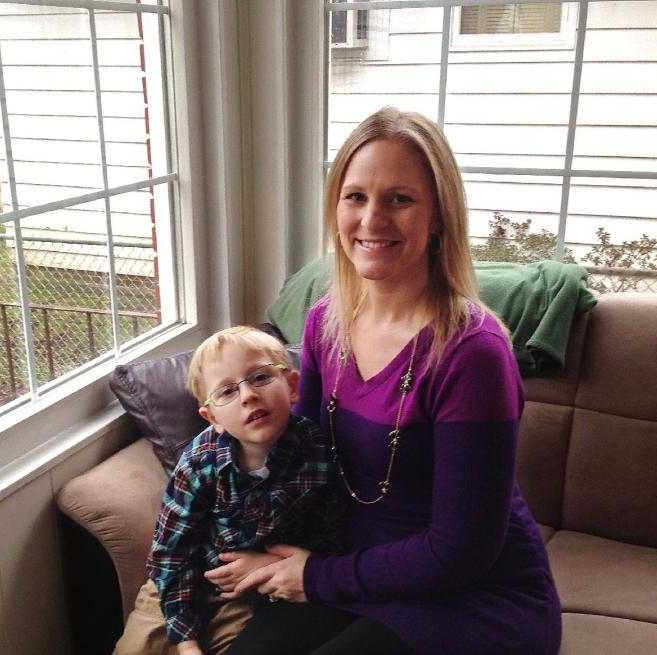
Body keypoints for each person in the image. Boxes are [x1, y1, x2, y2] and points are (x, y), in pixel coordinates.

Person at [211, 107, 563, 655]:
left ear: (439, 216)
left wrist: (316, 577)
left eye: (399, 199)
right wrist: (222, 524)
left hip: (470, 596)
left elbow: (463, 549)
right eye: (355, 197)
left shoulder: (473, 353)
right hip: (350, 565)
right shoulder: (325, 322)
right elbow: (302, 461)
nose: (372, 220)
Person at [115, 326, 343, 655]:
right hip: (180, 580)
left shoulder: (317, 452)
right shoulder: (199, 463)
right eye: (227, 392)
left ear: (293, 386)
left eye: (261, 378)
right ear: (213, 418)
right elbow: (171, 554)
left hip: (249, 591)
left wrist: (269, 565)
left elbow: (329, 534)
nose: (248, 395)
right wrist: (187, 642)